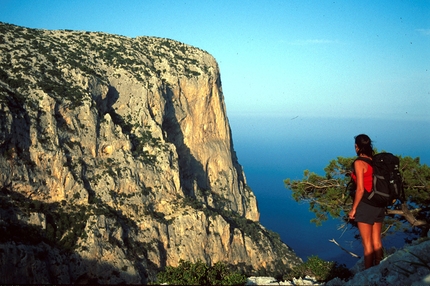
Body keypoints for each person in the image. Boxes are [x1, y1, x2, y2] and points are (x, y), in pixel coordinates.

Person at [348, 134, 384, 269]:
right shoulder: (373, 160)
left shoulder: (359, 162)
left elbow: (360, 189)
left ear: (357, 146)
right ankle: (380, 269)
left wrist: (353, 209)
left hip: (366, 205)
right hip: (379, 204)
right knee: (377, 242)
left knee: (367, 244)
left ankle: (368, 273)